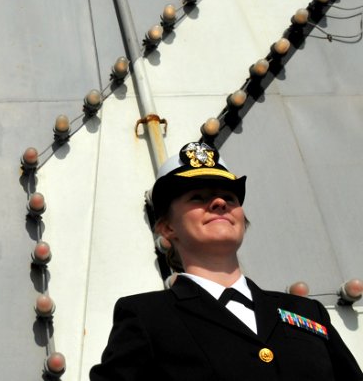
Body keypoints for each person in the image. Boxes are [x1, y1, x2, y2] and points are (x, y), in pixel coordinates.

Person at [91, 141, 363, 381]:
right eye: (198, 197)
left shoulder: (306, 313)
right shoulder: (148, 317)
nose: (220, 202)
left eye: (230, 197)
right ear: (167, 228)